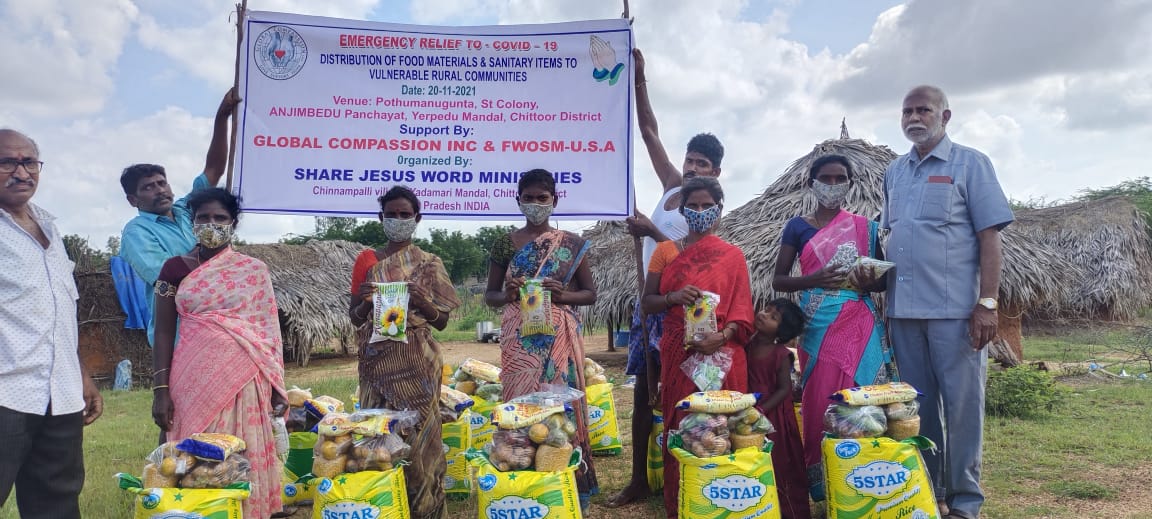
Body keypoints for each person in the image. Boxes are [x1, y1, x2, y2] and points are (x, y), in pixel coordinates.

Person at [882, 85, 1013, 519]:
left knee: (962, 408)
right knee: (917, 409)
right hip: (903, 312)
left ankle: (965, 502)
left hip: (955, 313)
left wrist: (987, 303)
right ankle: (929, 493)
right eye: (907, 111)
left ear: (945, 115)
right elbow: (892, 234)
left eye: (924, 110)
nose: (914, 118)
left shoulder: (971, 164)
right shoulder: (894, 172)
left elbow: (989, 237)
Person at [609, 47, 727, 508]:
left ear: (716, 173)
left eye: (702, 165)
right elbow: (648, 131)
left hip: (687, 310)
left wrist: (651, 231)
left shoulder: (708, 208)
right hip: (652, 304)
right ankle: (640, 478)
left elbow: (695, 258)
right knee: (644, 392)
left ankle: (693, 473)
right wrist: (639, 79)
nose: (693, 169)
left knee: (687, 390)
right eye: (690, 160)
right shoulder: (672, 187)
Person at [151, 188, 286, 519]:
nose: (211, 223)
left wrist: (276, 385)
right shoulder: (174, 269)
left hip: (246, 381)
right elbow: (164, 331)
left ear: (233, 224)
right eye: (203, 217)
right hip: (191, 382)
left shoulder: (253, 270)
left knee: (242, 454)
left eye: (220, 218)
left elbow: (268, 331)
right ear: (193, 223)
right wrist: (160, 390)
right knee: (190, 456)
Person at [772, 154, 896, 500]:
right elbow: (779, 280)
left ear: (849, 183)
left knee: (864, 396)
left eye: (840, 178)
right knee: (819, 400)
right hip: (817, 324)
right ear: (811, 183)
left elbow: (882, 281)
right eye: (825, 178)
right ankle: (824, 483)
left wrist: (867, 280)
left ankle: (865, 479)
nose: (832, 185)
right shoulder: (797, 227)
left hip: (859, 321)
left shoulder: (865, 227)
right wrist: (814, 279)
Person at [0, 129, 103, 519]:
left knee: (56, 503)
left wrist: (80, 373)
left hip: (59, 396)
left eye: (29, 162)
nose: (21, 172)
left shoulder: (49, 227)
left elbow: (58, 311)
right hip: (6, 393)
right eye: (7, 162)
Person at [484, 169, 599, 509]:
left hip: (559, 340)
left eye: (542, 197)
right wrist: (507, 293)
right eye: (529, 197)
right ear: (518, 200)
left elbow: (590, 294)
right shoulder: (504, 243)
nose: (535, 203)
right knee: (522, 408)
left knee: (562, 408)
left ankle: (569, 487)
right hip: (520, 341)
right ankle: (524, 484)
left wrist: (563, 295)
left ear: (554, 200)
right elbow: (490, 295)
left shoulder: (570, 244)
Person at [640, 176, 754, 518]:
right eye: (694, 206)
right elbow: (647, 303)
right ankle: (685, 501)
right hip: (680, 351)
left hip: (724, 353)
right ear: (683, 210)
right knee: (683, 422)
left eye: (707, 206)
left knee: (724, 425)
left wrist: (723, 335)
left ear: (719, 210)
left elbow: (743, 309)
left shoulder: (733, 256)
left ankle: (726, 501)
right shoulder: (665, 251)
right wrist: (673, 297)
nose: (700, 211)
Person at [349, 186, 461, 519]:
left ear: (417, 218)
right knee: (378, 437)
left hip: (418, 361)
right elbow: (354, 316)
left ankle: (426, 509)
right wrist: (365, 302)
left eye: (404, 214)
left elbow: (441, 322)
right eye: (391, 214)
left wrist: (420, 299)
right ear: (380, 217)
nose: (398, 220)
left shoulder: (430, 263)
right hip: (376, 363)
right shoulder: (367, 261)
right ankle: (386, 507)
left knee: (423, 438)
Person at [119, 88, 241, 347]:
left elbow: (214, 169)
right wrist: (217, 255)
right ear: (133, 200)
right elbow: (167, 275)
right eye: (148, 187)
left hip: (218, 325)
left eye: (161, 183)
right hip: (177, 334)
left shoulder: (189, 209)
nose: (159, 190)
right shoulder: (136, 232)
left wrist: (222, 118)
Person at [746, 298, 808, 519]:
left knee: (779, 462)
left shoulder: (781, 354)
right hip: (748, 409)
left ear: (781, 332)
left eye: (773, 317)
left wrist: (761, 410)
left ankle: (789, 511)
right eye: (766, 310)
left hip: (774, 417)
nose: (764, 315)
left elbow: (784, 390)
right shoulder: (746, 342)